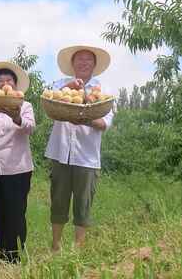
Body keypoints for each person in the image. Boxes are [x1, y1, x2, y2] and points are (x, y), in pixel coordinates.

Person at [45, 45, 114, 251]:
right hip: (60, 152)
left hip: (87, 156)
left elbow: (104, 124)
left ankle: (77, 248)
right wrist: (70, 86)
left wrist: (84, 120)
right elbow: (48, 102)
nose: (84, 62)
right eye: (79, 59)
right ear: (72, 64)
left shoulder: (102, 91)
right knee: (58, 200)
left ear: (94, 64)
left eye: (88, 60)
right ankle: (56, 246)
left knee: (83, 204)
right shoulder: (60, 85)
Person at [0, 61, 36, 263]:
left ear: (15, 84)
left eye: (9, 80)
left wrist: (17, 116)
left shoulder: (24, 104)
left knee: (16, 211)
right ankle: (2, 251)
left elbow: (30, 127)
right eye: (0, 81)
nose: (5, 83)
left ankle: (16, 254)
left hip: (18, 166)